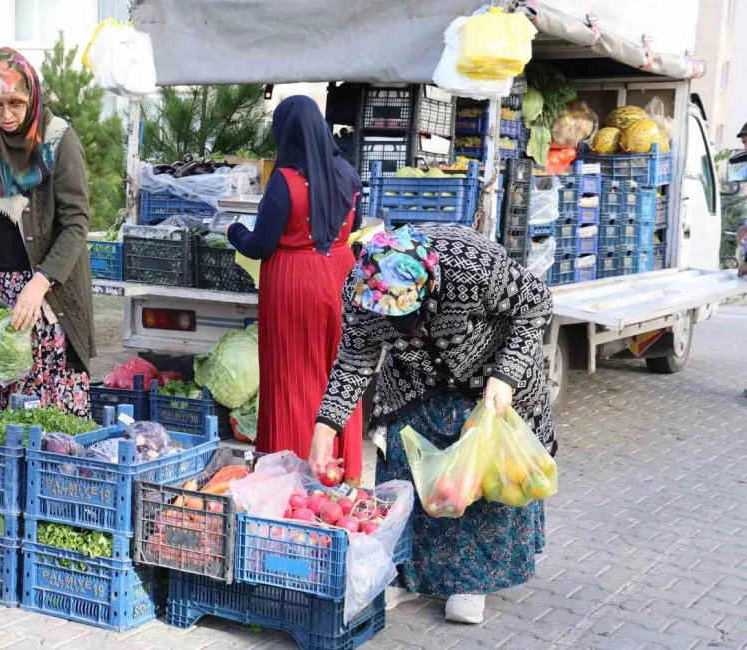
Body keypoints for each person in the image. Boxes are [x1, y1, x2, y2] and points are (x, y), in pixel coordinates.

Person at [310, 223, 556, 625]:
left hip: (488, 376)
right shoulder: (361, 290)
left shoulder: (471, 264)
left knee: (477, 478)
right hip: (412, 382)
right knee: (407, 473)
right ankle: (408, 572)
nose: (401, 326)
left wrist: (506, 375)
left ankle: (469, 581)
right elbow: (355, 359)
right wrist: (326, 426)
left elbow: (536, 305)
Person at [228, 95, 365, 484]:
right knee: (340, 374)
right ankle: (343, 471)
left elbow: (260, 244)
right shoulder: (348, 174)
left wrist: (232, 231)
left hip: (294, 284)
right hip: (341, 275)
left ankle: (293, 477)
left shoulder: (284, 182)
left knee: (295, 375)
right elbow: (353, 224)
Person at [0, 47, 94, 416]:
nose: (6, 116)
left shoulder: (58, 141)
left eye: (15, 104)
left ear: (31, 96)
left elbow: (77, 222)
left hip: (47, 295)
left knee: (47, 411)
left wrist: (39, 283)